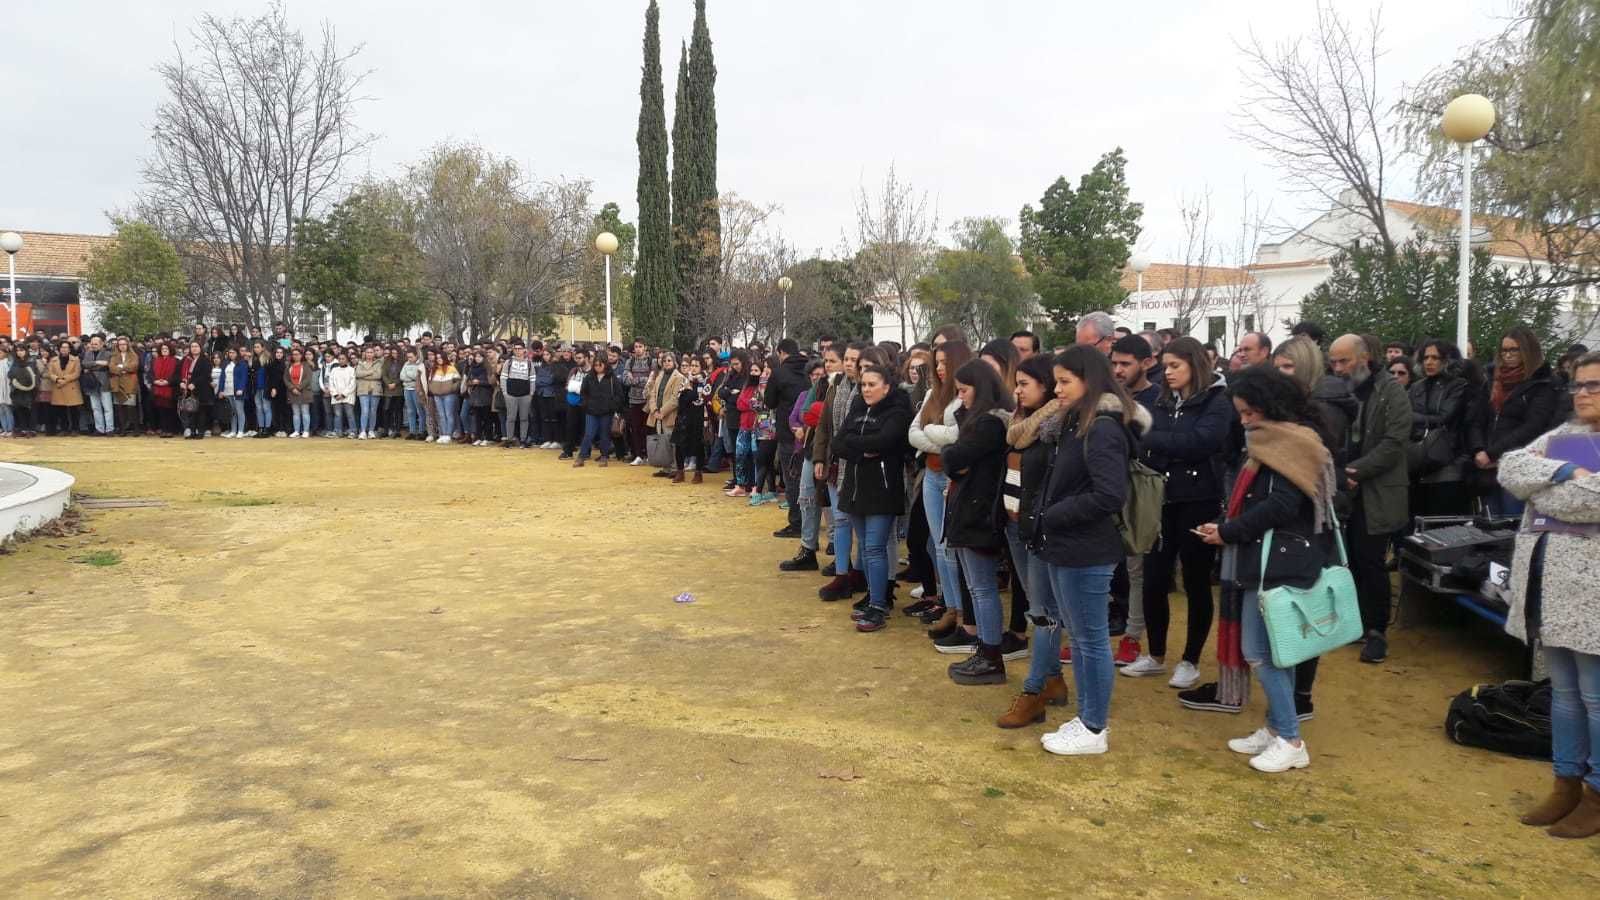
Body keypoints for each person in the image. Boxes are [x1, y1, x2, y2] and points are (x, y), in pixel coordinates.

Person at [1195, 365, 1338, 774]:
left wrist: (1229, 532)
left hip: (1278, 564)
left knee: (1259, 651)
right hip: (1269, 558)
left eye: (1249, 412)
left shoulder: (1288, 444)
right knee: (1276, 653)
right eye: (1240, 413)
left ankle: (1290, 739)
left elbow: (1280, 506)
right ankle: (1277, 728)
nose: (1243, 421)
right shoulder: (1275, 441)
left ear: (1270, 406)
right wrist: (1227, 527)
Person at [1499, 351, 1600, 838]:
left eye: (1593, 386)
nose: (1582, 393)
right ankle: (1566, 782)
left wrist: (1541, 486)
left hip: (1591, 596)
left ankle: (1597, 793)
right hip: (1548, 587)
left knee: (1595, 697)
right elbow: (1511, 467)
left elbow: (1592, 501)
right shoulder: (1564, 438)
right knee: (1563, 693)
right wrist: (1563, 472)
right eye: (1578, 385)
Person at [1034, 346, 1144, 756]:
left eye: (1065, 382)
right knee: (1080, 639)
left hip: (1087, 548)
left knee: (1090, 640)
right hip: (1067, 544)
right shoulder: (1075, 423)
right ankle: (1087, 717)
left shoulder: (1102, 428)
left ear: (1090, 381)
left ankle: (1094, 726)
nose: (1057, 390)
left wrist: (1054, 514)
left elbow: (1109, 494)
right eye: (1056, 382)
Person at [1124, 336, 1235, 689]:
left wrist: (1152, 439)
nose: (1168, 373)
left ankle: (1190, 660)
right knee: (1154, 577)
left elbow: (1201, 443)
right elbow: (1153, 444)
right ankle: (1155, 655)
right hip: (1161, 498)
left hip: (1200, 500)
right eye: (1166, 366)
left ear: (1195, 365)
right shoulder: (1162, 398)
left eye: (1175, 366)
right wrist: (1159, 443)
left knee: (1195, 580)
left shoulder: (1218, 400)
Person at [995, 354, 1074, 726]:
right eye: (1016, 384)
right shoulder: (1018, 424)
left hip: (1040, 529)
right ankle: (1053, 680)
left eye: (1025, 384)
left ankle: (1034, 691)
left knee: (1044, 615)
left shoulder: (1054, 429)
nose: (1017, 390)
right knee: (1038, 610)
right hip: (1016, 525)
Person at [1329, 333, 1412, 664]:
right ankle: (1356, 623)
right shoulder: (1337, 391)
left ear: (1364, 358)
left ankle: (1377, 631)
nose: (1338, 368)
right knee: (1347, 561)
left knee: (1371, 561)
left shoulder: (1391, 390)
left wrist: (1355, 471)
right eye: (1333, 362)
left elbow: (1394, 442)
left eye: (1344, 361)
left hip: (1376, 492)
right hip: (1343, 490)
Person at [938, 359, 1018, 679]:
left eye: (964, 390)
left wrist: (952, 457)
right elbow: (955, 458)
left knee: (982, 588)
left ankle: (991, 653)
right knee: (975, 587)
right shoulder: (978, 420)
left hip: (979, 512)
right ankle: (985, 650)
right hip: (969, 508)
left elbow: (954, 455)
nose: (960, 397)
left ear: (981, 388)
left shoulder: (989, 424)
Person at [837, 364, 914, 632]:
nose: (866, 390)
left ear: (887, 387)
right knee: (865, 548)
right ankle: (873, 599)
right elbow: (838, 443)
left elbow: (885, 441)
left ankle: (879, 606)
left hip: (883, 490)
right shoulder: (858, 407)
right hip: (855, 488)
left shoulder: (898, 412)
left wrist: (855, 442)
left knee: (874, 548)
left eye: (872, 384)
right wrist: (862, 450)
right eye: (863, 385)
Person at [909, 340, 973, 642]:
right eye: (937, 362)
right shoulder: (931, 394)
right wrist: (942, 441)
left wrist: (931, 433)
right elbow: (913, 434)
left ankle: (961, 613)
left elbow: (960, 438)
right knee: (938, 545)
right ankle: (950, 606)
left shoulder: (965, 397)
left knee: (951, 548)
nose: (940, 368)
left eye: (945, 362)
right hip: (932, 475)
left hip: (952, 477)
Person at [1471, 327, 1558, 518]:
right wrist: (1478, 449)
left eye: (1514, 350)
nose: (1508, 355)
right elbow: (1477, 420)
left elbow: (1533, 427)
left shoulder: (1542, 383)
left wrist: (1492, 453)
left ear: (1528, 351)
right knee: (1489, 526)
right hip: (1487, 470)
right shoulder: (1492, 381)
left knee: (1513, 524)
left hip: (1519, 468)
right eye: (1504, 350)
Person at [1409, 339, 1470, 518]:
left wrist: (1412, 417)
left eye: (1435, 358)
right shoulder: (1416, 387)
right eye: (1426, 357)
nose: (1429, 362)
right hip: (1417, 461)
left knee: (1444, 522)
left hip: (1447, 461)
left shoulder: (1459, 385)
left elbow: (1445, 417)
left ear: (1447, 360)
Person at [576, 354, 624, 466]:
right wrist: (586, 404)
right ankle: (581, 456)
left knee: (604, 435)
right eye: (595, 365)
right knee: (588, 434)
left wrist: (611, 406)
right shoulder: (589, 377)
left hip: (606, 412)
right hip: (591, 411)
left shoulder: (612, 378)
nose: (597, 367)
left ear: (605, 365)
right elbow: (583, 393)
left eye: (600, 365)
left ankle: (604, 456)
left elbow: (619, 395)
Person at [645, 352, 687, 477]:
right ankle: (666, 467)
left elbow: (675, 398)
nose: (667, 363)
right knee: (663, 441)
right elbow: (652, 394)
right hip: (657, 415)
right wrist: (654, 410)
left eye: (669, 360)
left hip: (671, 414)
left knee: (672, 442)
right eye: (664, 361)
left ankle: (675, 468)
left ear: (674, 362)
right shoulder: (660, 375)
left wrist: (662, 412)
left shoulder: (679, 377)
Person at [670, 354, 709, 483]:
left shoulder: (706, 381)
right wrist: (690, 393)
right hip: (684, 417)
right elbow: (680, 399)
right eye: (692, 365)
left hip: (699, 418)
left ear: (702, 367)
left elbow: (702, 398)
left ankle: (698, 473)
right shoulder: (685, 380)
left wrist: (689, 393)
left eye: (696, 366)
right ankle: (680, 471)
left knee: (698, 446)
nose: (693, 368)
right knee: (679, 444)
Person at [621, 339, 655, 465]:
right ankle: (638, 455)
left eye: (640, 346)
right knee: (635, 429)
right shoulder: (630, 362)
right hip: (634, 400)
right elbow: (625, 380)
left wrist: (635, 379)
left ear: (645, 347)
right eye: (636, 347)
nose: (638, 349)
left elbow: (652, 380)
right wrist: (642, 380)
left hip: (647, 400)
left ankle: (648, 454)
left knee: (648, 429)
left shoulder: (652, 362)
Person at [46, 342, 84, 435]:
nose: (64, 349)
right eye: (62, 347)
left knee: (74, 410)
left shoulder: (75, 360)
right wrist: (57, 379)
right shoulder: (53, 360)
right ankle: (64, 429)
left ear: (70, 349)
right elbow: (50, 373)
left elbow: (77, 373)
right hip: (58, 386)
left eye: (66, 347)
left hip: (71, 386)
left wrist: (64, 379)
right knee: (61, 410)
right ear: (59, 349)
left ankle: (75, 429)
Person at [178, 340, 213, 439]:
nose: (194, 348)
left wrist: (194, 383)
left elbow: (206, 375)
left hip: (201, 389)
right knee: (190, 411)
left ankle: (200, 432)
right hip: (188, 389)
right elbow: (178, 372)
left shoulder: (205, 360)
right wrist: (181, 382)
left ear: (200, 348)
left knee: (201, 412)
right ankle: (192, 431)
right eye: (192, 346)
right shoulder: (186, 359)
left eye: (196, 346)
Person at [80, 335, 114, 435]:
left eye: (96, 344)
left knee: (107, 407)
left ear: (102, 344)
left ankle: (109, 429)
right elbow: (84, 364)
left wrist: (92, 366)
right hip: (91, 383)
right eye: (92, 344)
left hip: (104, 382)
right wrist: (97, 362)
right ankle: (99, 429)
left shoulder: (108, 353)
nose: (93, 346)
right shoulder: (88, 353)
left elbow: (108, 364)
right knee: (95, 408)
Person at [109, 337, 141, 435]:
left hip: (130, 383)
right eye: (120, 344)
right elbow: (111, 367)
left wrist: (122, 367)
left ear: (127, 345)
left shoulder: (133, 355)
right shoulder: (114, 356)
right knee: (120, 407)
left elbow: (134, 366)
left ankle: (136, 429)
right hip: (118, 383)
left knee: (131, 407)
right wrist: (123, 369)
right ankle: (123, 429)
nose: (122, 346)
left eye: (124, 344)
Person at [326, 352, 357, 439]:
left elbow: (352, 384)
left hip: (348, 396)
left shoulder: (351, 370)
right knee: (337, 415)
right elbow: (331, 383)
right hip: (336, 397)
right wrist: (335, 394)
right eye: (339, 359)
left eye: (343, 359)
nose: (341, 360)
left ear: (347, 360)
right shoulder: (334, 370)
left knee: (350, 415)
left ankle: (353, 431)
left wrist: (344, 394)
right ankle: (338, 431)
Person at [219, 347, 249, 438]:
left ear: (237, 353)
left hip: (237, 391)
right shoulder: (225, 363)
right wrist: (221, 390)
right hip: (227, 390)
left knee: (239, 411)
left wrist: (241, 388)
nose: (231, 354)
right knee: (232, 412)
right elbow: (222, 377)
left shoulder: (242, 363)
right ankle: (233, 430)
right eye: (230, 353)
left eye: (233, 352)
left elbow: (244, 377)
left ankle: (240, 430)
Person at [285, 348, 315, 437]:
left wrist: (298, 388)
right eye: (293, 354)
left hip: (304, 392)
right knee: (295, 413)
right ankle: (296, 431)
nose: (295, 356)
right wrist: (292, 388)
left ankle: (306, 431)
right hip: (292, 392)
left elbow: (308, 378)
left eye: (297, 354)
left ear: (301, 355)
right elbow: (286, 379)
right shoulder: (289, 366)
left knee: (305, 412)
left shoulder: (306, 365)